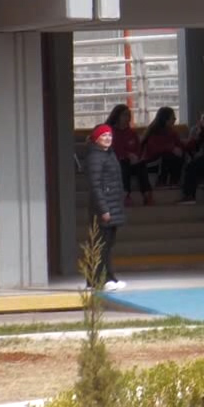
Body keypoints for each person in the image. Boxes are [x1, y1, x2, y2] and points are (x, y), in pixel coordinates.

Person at [85, 119, 127, 290]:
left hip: (112, 206)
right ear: (96, 139)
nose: (108, 138)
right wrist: (104, 209)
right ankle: (99, 280)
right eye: (104, 135)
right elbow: (95, 186)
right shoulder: (96, 157)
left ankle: (108, 278)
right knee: (101, 245)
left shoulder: (109, 154)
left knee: (107, 246)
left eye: (109, 135)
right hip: (104, 208)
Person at [178, 108, 204, 204]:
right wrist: (195, 137)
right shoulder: (196, 129)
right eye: (203, 118)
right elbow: (189, 147)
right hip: (197, 158)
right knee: (190, 165)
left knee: (194, 165)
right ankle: (189, 195)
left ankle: (190, 195)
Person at [141, 106, 182, 193]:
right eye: (173, 118)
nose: (175, 120)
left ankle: (174, 181)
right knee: (167, 155)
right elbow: (153, 150)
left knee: (179, 155)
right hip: (152, 161)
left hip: (165, 159)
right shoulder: (154, 132)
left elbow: (179, 145)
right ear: (165, 119)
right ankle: (161, 181)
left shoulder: (172, 132)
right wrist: (171, 148)